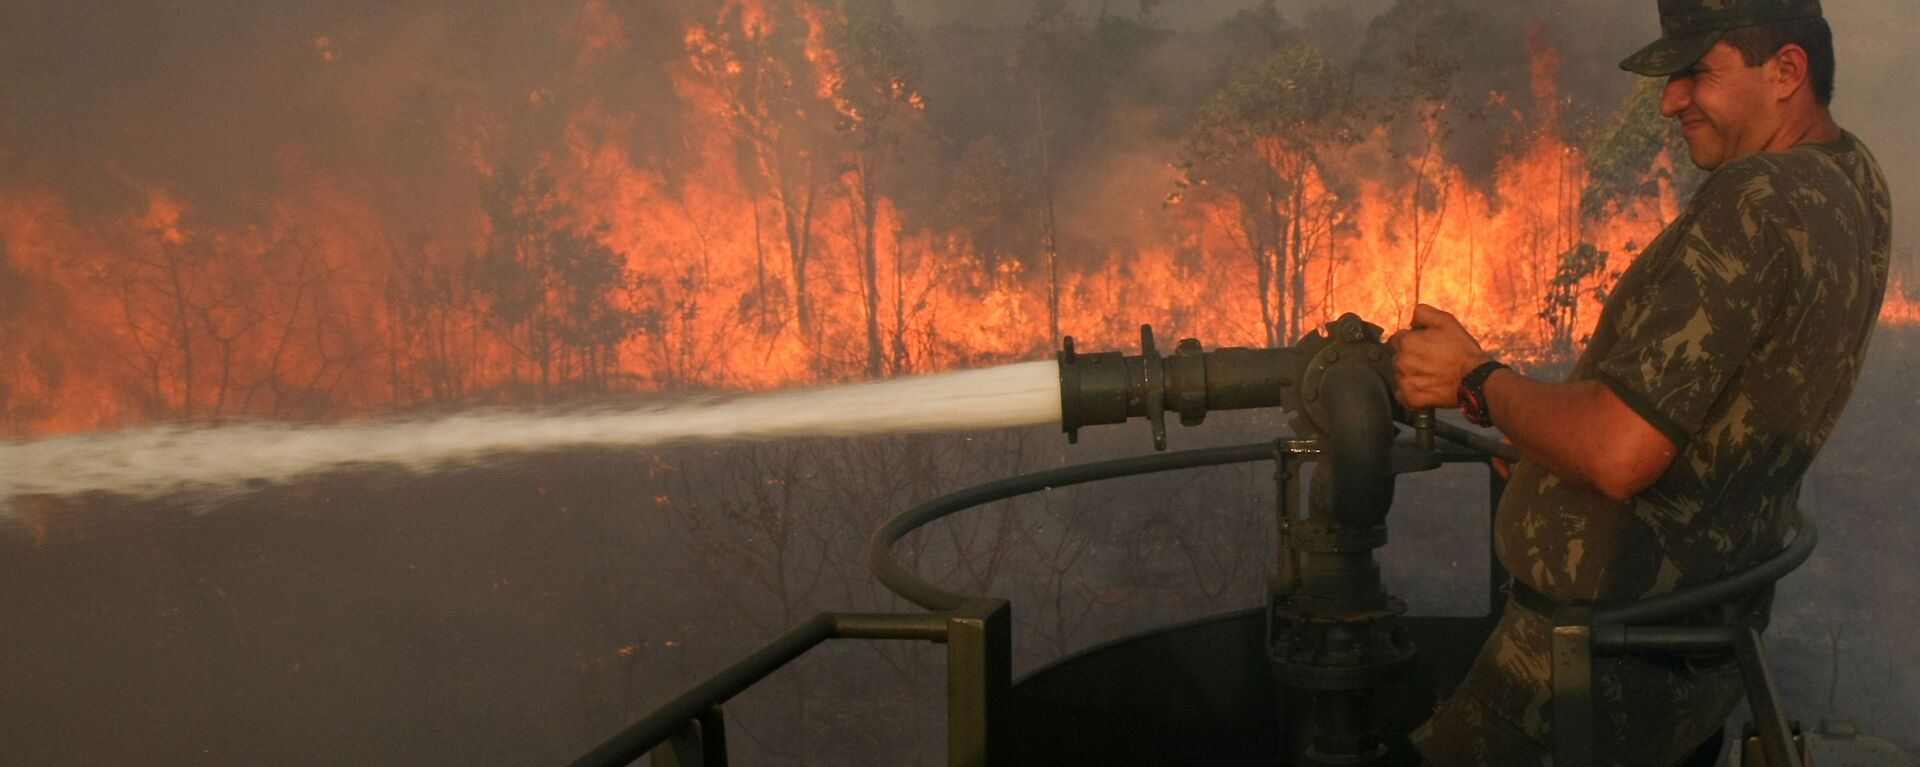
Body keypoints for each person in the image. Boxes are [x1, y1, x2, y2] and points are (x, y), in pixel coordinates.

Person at [1390, 0, 1891, 763]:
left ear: (1787, 71)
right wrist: (1541, 439)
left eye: (1698, 73)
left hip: (1585, 671)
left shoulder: (1754, 203)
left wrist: (1477, 379)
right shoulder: (1854, 178)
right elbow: (1731, 405)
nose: (1669, 102)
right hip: (1692, 654)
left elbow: (1619, 451)